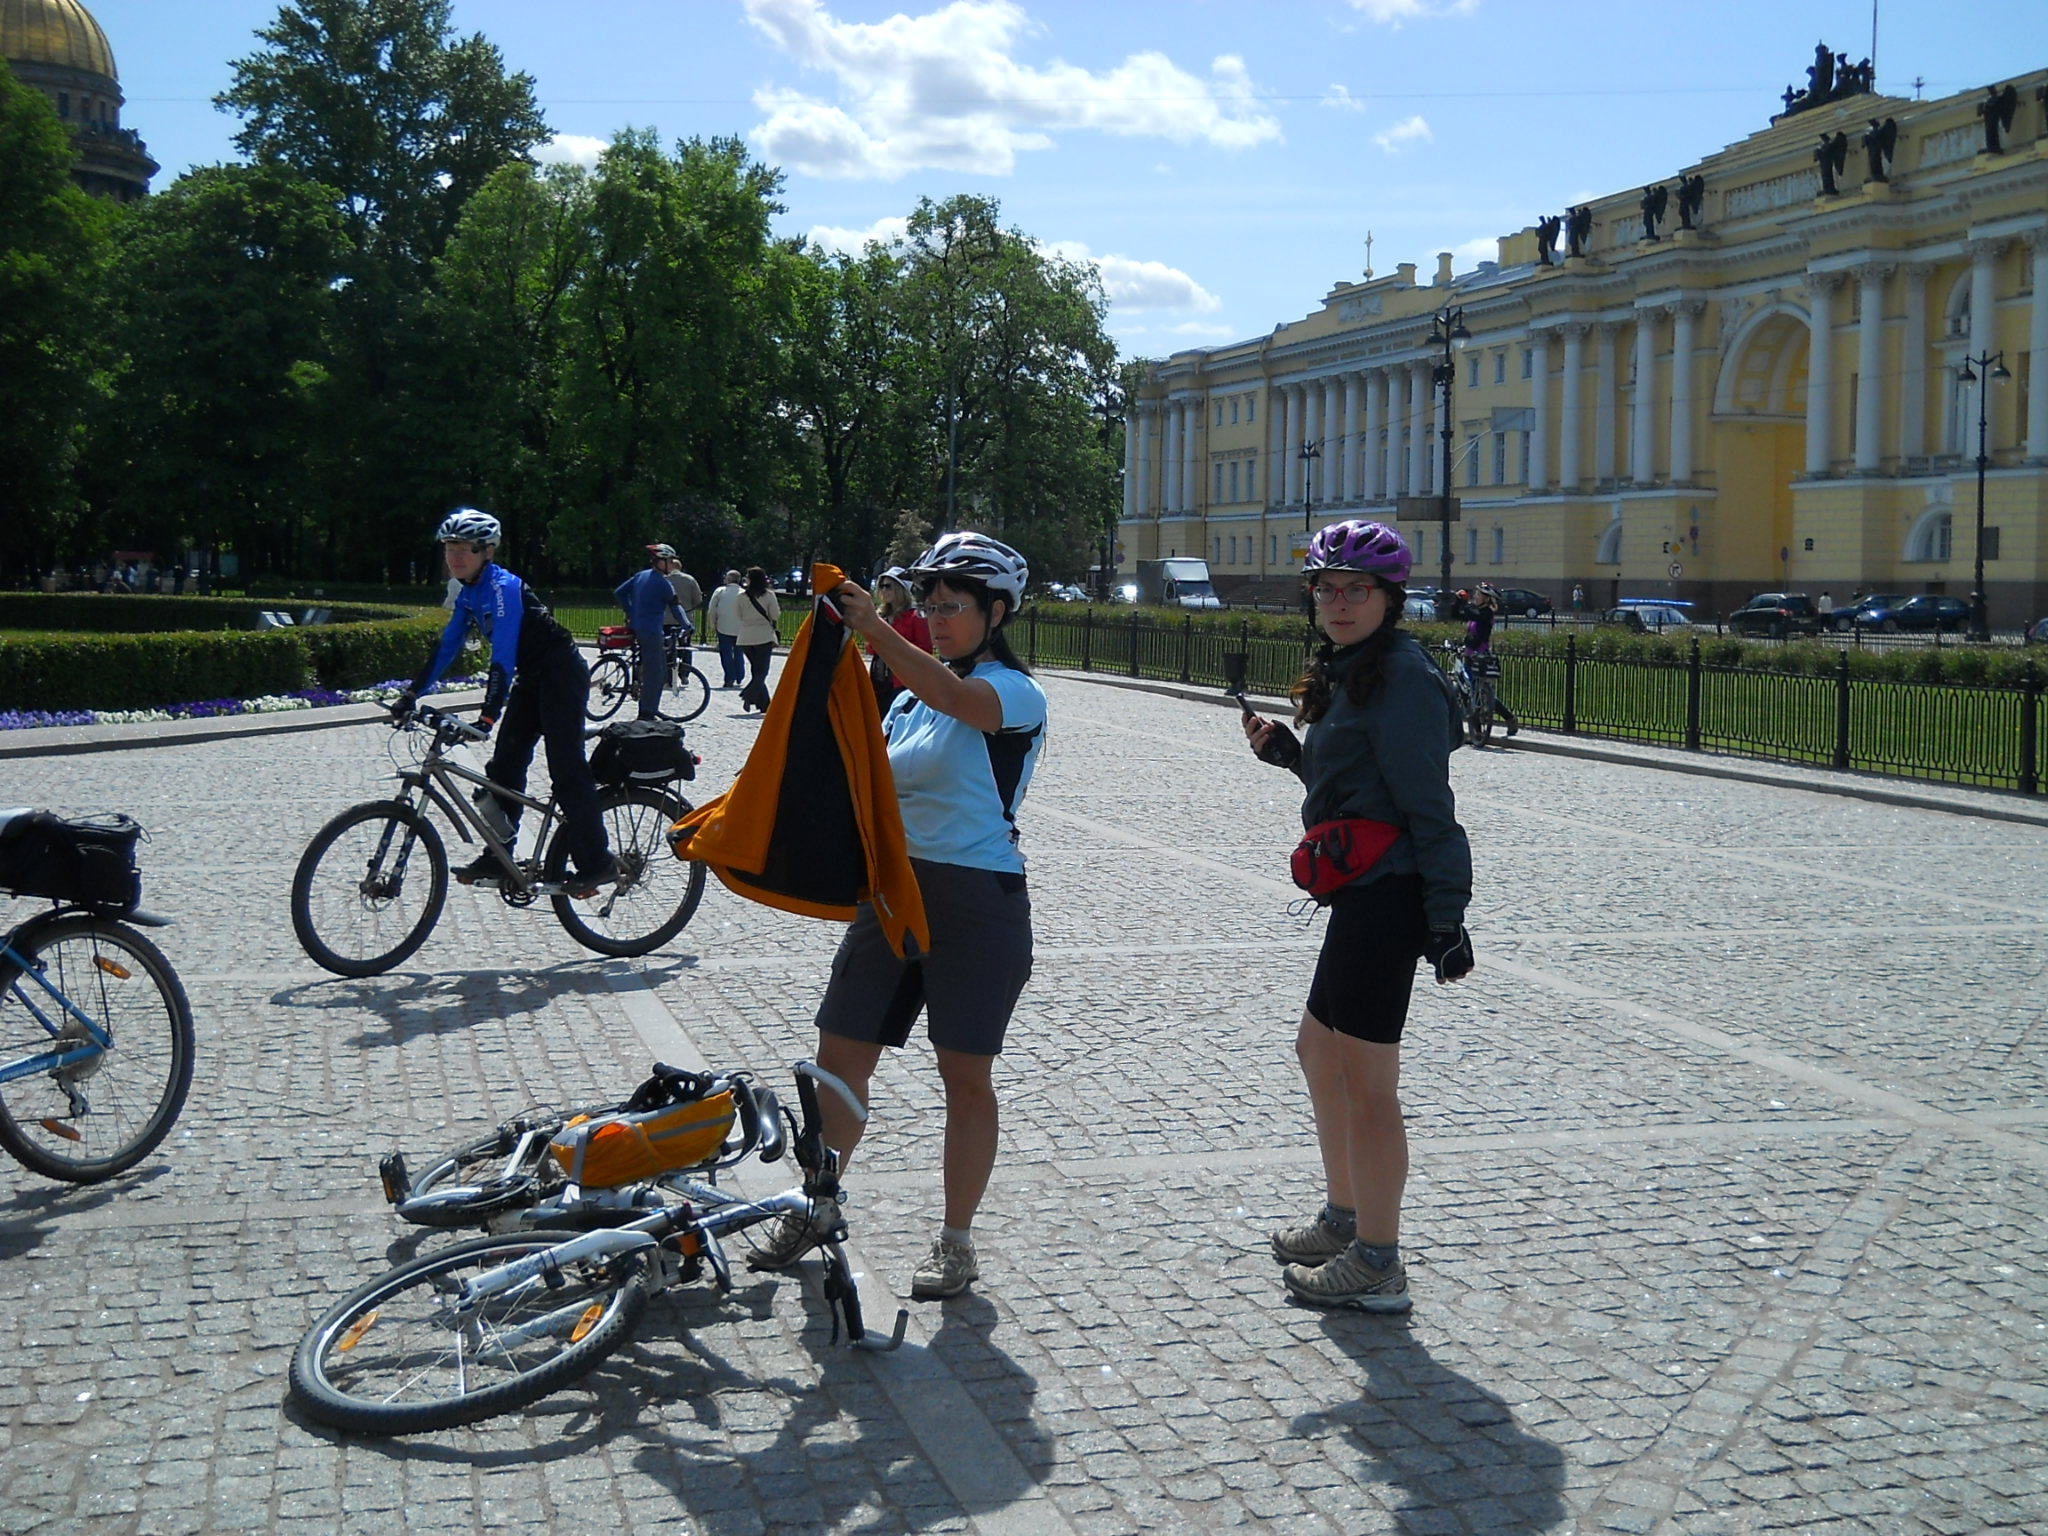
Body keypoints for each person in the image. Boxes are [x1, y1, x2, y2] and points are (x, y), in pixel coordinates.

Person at [749, 531, 1046, 1301]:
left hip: (977, 904)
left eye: (953, 607)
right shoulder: (909, 698)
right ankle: (816, 1206)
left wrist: (876, 631)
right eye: (931, 606)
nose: (938, 620)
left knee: (964, 1079)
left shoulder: (1016, 693)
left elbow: (958, 700)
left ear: (997, 612)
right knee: (838, 1060)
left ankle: (956, 1242)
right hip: (891, 894)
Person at [1242, 519, 1473, 1313]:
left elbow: (1428, 807)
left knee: (1371, 1087)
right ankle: (1345, 1219)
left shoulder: (1401, 678)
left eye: (1357, 589)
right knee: (1318, 1051)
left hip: (1389, 896)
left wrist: (1445, 919)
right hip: (1360, 891)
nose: (1339, 602)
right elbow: (1359, 785)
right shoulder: (1355, 669)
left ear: (1389, 597)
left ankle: (1378, 1261)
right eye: (1326, 589)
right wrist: (1292, 757)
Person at [393, 509, 615, 894]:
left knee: (566, 769)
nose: (455, 557)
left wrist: (489, 714)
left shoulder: (503, 588)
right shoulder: (468, 593)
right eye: (450, 549)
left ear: (487, 552)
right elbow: (448, 647)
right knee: (504, 766)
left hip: (561, 673)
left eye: (465, 549)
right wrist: (412, 693)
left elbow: (504, 654)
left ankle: (598, 863)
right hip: (532, 678)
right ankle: (500, 856)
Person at [616, 546, 687, 720]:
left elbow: (620, 593)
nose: (672, 564)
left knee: (649, 667)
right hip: (652, 631)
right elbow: (676, 607)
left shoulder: (641, 575)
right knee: (656, 674)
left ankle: (642, 698)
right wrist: (687, 625)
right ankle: (647, 713)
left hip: (637, 627)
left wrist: (631, 612)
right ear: (661, 562)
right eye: (669, 561)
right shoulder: (663, 584)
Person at [1445, 583, 1521, 737]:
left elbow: (1475, 615)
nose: (1476, 596)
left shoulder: (1486, 613)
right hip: (1469, 654)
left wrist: (1465, 603)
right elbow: (1456, 615)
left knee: (1477, 691)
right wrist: (1458, 601)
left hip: (1480, 655)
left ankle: (1507, 718)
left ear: (1486, 599)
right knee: (1469, 692)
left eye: (1479, 594)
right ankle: (1478, 730)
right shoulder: (1476, 610)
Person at [867, 566, 932, 713]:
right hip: (878, 680)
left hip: (902, 682)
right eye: (881, 586)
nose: (884, 590)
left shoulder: (915, 616)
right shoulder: (881, 615)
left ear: (900, 588)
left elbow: (925, 650)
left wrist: (895, 646)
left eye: (888, 586)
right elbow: (870, 648)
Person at [734, 566, 782, 713]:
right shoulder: (769, 595)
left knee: (756, 670)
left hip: (746, 636)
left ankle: (764, 704)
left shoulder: (741, 597)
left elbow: (738, 615)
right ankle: (748, 694)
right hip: (763, 635)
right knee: (762, 671)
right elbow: (775, 615)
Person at [707, 569, 746, 689]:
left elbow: (712, 609)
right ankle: (740, 675)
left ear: (728, 579)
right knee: (739, 652)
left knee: (726, 654)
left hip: (723, 626)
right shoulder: (744, 593)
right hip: (741, 628)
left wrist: (713, 624)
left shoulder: (720, 591)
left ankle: (729, 677)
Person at [658, 544, 704, 624]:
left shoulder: (663, 579)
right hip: (686, 618)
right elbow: (698, 600)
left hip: (666, 619)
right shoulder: (690, 579)